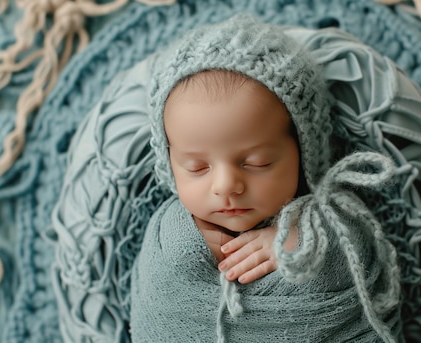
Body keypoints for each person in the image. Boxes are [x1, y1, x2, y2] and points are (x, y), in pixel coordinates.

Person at [130, 14, 401, 342]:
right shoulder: (170, 233)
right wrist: (192, 250)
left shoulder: (328, 218)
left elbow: (356, 252)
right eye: (197, 167)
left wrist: (298, 243)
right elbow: (160, 306)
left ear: (303, 153)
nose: (226, 186)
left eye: (258, 162)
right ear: (169, 162)